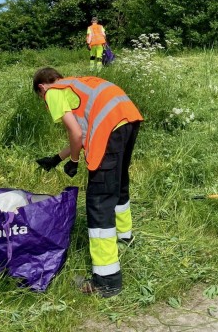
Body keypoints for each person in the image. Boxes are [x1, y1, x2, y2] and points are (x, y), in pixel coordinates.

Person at [33, 67, 143, 297]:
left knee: (99, 199)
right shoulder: (75, 85)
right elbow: (81, 130)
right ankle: (124, 238)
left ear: (42, 88)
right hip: (127, 118)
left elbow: (74, 133)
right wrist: (56, 159)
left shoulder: (53, 92)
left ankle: (107, 281)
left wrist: (74, 161)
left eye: (41, 98)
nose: (46, 102)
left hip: (110, 127)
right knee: (119, 183)